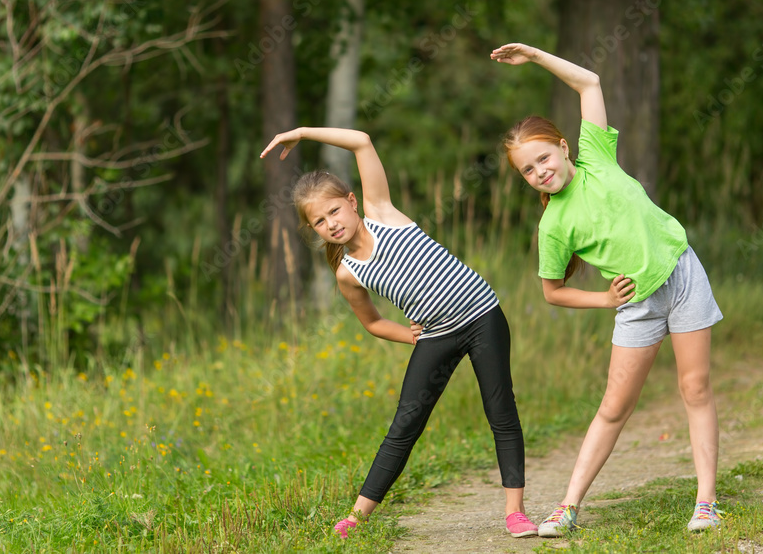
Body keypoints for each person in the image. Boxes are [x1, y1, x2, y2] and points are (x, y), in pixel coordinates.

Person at [490, 42, 724, 536]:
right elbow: (552, 291)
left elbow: (589, 82)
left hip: (682, 275)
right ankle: (568, 507)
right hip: (637, 305)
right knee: (614, 408)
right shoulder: (553, 226)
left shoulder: (596, 157)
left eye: (543, 158)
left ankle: (706, 503)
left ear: (563, 147)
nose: (540, 172)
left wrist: (534, 56)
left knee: (695, 387)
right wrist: (604, 299)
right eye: (528, 170)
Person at [260, 127, 538, 539]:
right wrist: (411, 337)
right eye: (319, 222)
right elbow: (373, 323)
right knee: (405, 424)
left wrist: (302, 133)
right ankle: (355, 518)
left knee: (500, 410)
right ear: (313, 230)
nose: (331, 224)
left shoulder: (383, 214)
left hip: (482, 316)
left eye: (334, 211)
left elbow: (361, 140)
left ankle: (515, 512)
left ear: (352, 202)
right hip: (436, 335)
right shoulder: (347, 273)